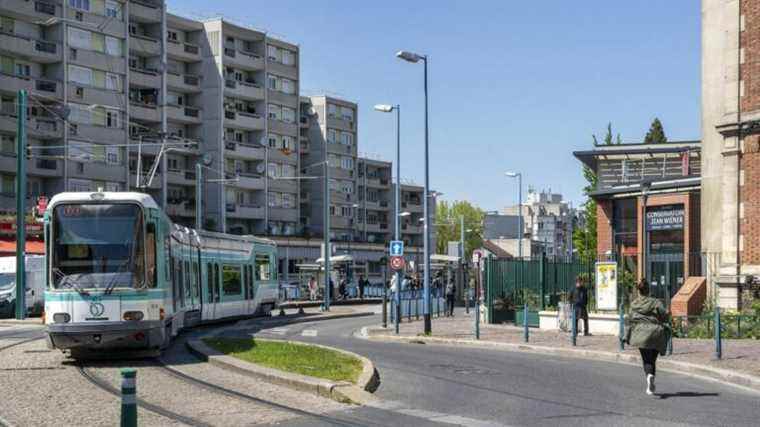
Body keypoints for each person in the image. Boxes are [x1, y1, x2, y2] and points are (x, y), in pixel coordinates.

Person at [626, 278, 670, 396]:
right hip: (656, 333)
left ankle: (649, 377)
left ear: (639, 291)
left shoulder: (634, 303)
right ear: (648, 290)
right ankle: (651, 380)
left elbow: (630, 318)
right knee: (653, 359)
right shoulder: (655, 302)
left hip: (640, 334)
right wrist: (666, 316)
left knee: (646, 359)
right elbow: (664, 315)